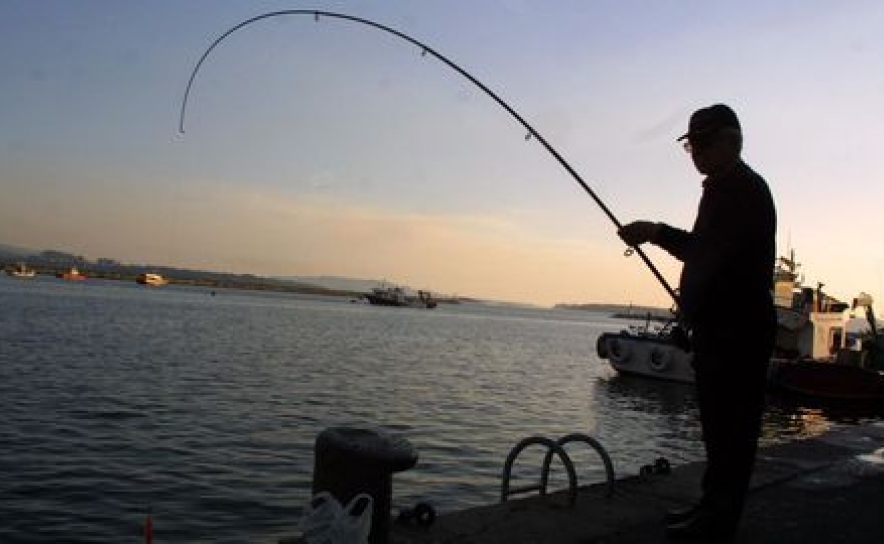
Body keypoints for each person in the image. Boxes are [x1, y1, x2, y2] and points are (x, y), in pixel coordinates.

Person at [618, 104, 777, 540]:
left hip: (737, 333)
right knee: (717, 431)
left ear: (733, 140)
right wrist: (654, 231)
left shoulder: (742, 190)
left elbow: (708, 256)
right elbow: (703, 250)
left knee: (732, 434)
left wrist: (655, 232)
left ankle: (718, 521)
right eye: (692, 144)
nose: (696, 152)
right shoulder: (721, 190)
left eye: (705, 142)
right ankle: (711, 510)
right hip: (718, 332)